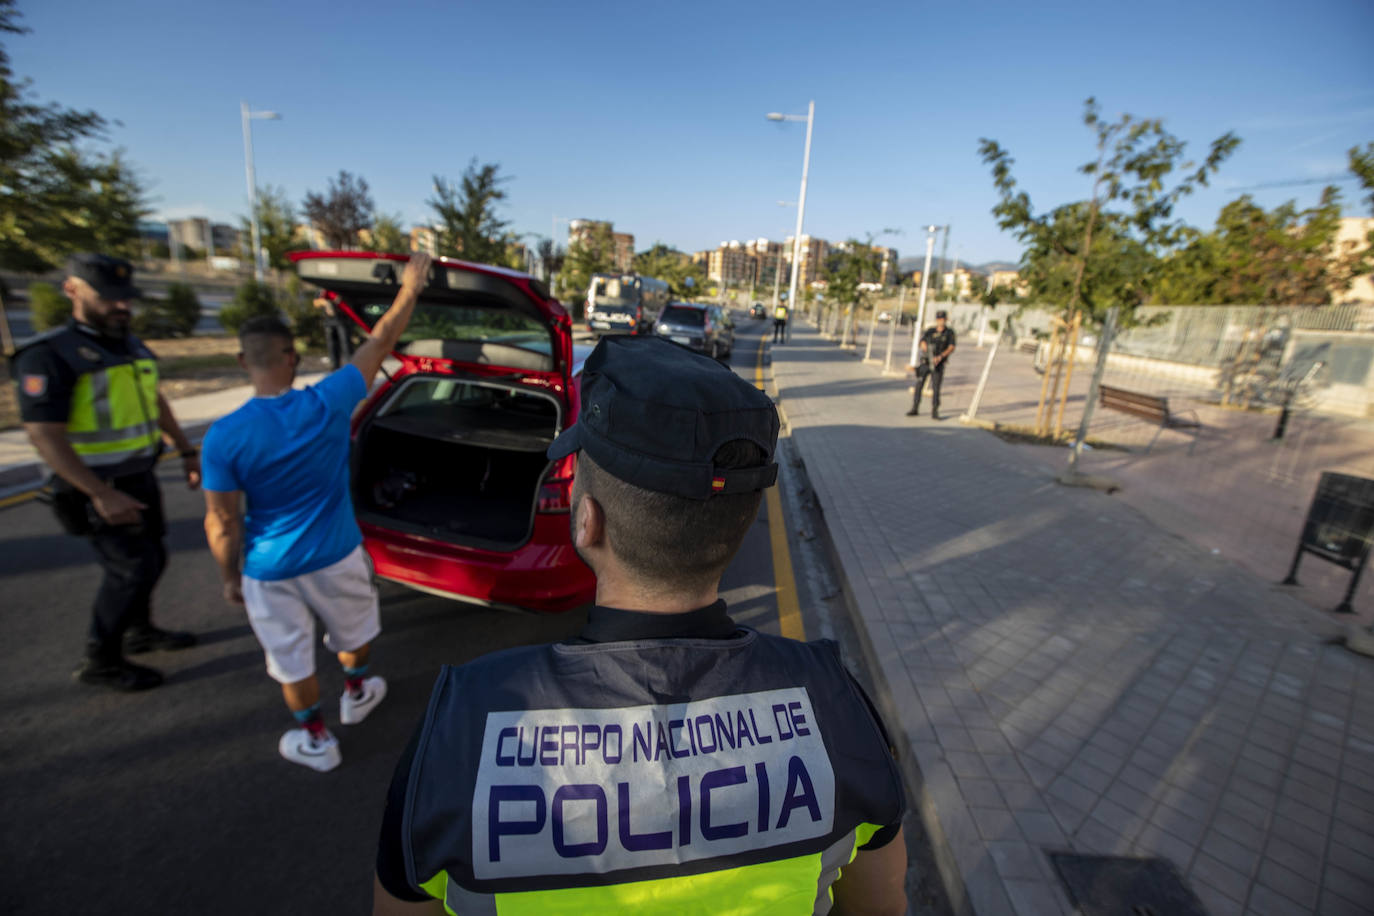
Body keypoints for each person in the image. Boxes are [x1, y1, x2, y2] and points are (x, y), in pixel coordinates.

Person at [372, 336, 908, 915]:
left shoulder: (465, 722)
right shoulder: (834, 705)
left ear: (586, 522)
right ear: (740, 525)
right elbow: (880, 906)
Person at [201, 253, 432, 772]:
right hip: (335, 555)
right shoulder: (327, 401)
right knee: (352, 634)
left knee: (290, 659)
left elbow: (221, 521)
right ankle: (357, 691)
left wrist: (228, 577)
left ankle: (316, 739)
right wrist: (411, 288)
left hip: (268, 569)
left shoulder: (223, 437)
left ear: (244, 361)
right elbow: (381, 340)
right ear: (293, 356)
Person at [12, 254, 200, 692]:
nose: (122, 307)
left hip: (138, 474)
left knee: (152, 558)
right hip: (95, 485)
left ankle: (140, 630)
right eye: (109, 298)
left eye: (126, 299)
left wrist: (186, 450)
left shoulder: (128, 345)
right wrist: (99, 493)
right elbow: (44, 435)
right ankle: (101, 658)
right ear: (72, 290)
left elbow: (155, 401)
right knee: (131, 569)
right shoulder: (50, 355)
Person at [907, 310, 956, 420]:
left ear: (945, 320)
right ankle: (915, 407)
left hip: (938, 364)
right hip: (926, 362)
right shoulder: (930, 331)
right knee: (919, 384)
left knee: (936, 387)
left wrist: (941, 356)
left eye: (942, 319)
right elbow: (922, 342)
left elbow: (951, 347)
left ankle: (935, 410)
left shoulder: (949, 333)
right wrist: (924, 346)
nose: (940, 321)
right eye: (939, 319)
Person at [313, 294, 352, 371]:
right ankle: (335, 369)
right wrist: (326, 303)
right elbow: (315, 303)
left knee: (346, 345)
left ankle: (351, 368)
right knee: (332, 347)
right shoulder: (322, 290)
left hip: (342, 320)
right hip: (328, 322)